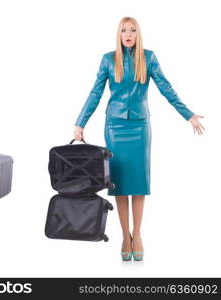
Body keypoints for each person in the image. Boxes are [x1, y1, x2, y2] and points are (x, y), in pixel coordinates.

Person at [74, 17, 205, 261]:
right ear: (119, 34)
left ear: (138, 34)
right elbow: (95, 92)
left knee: (139, 184)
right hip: (114, 126)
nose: (128, 34)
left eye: (133, 30)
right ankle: (125, 236)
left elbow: (166, 87)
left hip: (140, 128)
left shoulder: (149, 57)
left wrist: (188, 115)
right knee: (119, 185)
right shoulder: (107, 59)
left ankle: (138, 234)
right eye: (124, 30)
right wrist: (80, 122)